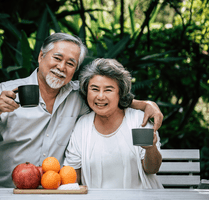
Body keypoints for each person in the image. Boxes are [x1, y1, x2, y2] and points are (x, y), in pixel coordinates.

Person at [0, 33, 163, 188]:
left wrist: (146, 105)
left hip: (53, 191)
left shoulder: (79, 94)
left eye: (70, 63)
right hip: (7, 190)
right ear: (41, 56)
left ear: (75, 70)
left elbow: (107, 98)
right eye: (57, 58)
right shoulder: (9, 90)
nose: (61, 67)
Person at [63, 58, 163, 189]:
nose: (100, 96)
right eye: (94, 89)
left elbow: (152, 169)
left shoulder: (139, 120)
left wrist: (151, 148)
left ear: (120, 93)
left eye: (108, 90)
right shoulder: (82, 125)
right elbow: (73, 174)